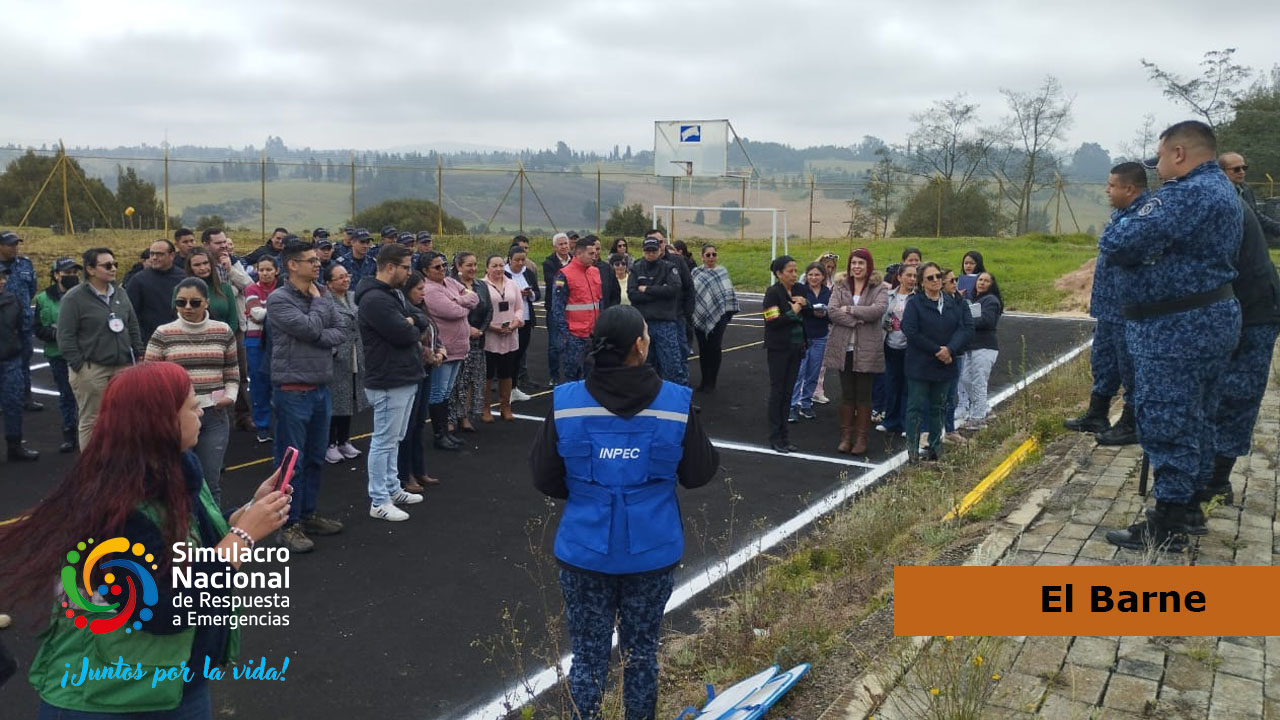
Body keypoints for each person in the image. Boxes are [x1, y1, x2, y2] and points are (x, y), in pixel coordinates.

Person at [0, 362, 290, 718]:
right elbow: (162, 608)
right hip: (109, 697)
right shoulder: (113, 510)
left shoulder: (173, 472)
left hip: (174, 680)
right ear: (159, 420)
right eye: (190, 404)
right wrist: (243, 536)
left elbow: (194, 541)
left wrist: (248, 511)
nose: (200, 409)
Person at [529, 305, 719, 720]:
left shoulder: (566, 402)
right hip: (651, 551)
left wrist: (587, 494)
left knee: (588, 658)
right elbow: (699, 472)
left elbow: (544, 475)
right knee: (641, 655)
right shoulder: (675, 402)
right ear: (640, 344)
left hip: (584, 551)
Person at [1101, 121, 1242, 550]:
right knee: (1197, 415)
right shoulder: (1220, 189)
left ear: (1179, 153)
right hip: (1203, 321)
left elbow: (1118, 242)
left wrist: (1121, 224)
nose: (1158, 168)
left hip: (1177, 329)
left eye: (1160, 158)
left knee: (1167, 417)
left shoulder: (1188, 193)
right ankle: (1189, 505)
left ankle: (1168, 522)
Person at [1198, 198, 1280, 513]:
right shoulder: (1220, 200)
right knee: (1221, 396)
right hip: (1240, 309)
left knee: (1237, 397)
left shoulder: (1222, 205)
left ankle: (1217, 480)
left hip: (1255, 312)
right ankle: (1209, 475)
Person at [267, 242, 347, 552]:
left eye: (317, 260)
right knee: (290, 464)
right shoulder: (279, 300)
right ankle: (287, 525)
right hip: (292, 393)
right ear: (292, 265)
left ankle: (307, 513)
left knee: (315, 458)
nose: (318, 265)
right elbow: (312, 329)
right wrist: (317, 309)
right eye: (311, 260)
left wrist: (318, 329)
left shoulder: (321, 296)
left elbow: (341, 327)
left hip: (319, 390)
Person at [1065, 162, 1150, 445]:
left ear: (1130, 188)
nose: (1107, 190)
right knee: (1104, 362)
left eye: (1112, 185)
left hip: (1129, 310)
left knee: (1130, 368)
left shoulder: (1144, 216)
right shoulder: (1120, 214)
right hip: (1109, 308)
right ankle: (1097, 413)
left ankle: (1131, 422)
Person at [144, 278, 239, 505]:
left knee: (210, 483)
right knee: (175, 481)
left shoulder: (223, 331)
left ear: (206, 302)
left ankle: (211, 534)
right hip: (176, 418)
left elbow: (232, 369)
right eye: (181, 302)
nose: (187, 307)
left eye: (194, 302)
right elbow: (148, 376)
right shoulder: (163, 333)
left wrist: (231, 395)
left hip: (214, 414)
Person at [355, 244, 429, 522]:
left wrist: (412, 321)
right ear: (389, 267)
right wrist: (411, 324)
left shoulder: (393, 293)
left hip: (404, 375)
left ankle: (392, 488)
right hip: (389, 378)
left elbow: (420, 317)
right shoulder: (375, 300)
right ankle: (379, 500)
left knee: (394, 439)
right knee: (384, 441)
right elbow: (404, 333)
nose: (409, 273)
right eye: (406, 267)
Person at [57, 247, 144, 450]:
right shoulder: (74, 298)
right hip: (91, 368)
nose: (113, 269)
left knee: (124, 417)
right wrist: (80, 365)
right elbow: (65, 336)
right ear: (91, 269)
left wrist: (137, 352)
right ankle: (90, 468)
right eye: (107, 265)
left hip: (122, 367)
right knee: (92, 420)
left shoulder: (121, 293)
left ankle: (119, 461)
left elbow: (132, 324)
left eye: (115, 264)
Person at [901, 261, 971, 463]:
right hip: (921, 364)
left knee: (938, 406)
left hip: (945, 363)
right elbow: (910, 330)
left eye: (938, 276)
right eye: (930, 278)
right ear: (921, 282)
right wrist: (936, 350)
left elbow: (964, 329)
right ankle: (913, 450)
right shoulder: (915, 303)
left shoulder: (951, 302)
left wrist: (949, 349)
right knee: (915, 407)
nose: (935, 280)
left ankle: (934, 446)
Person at [823, 248, 888, 455]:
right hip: (844, 348)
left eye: (861, 263)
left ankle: (861, 439)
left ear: (868, 266)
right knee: (847, 394)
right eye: (853, 263)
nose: (856, 267)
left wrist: (850, 310)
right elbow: (832, 311)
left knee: (863, 396)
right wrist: (860, 319)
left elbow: (877, 311)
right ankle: (846, 436)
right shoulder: (840, 286)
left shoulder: (878, 287)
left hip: (867, 349)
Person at [422, 251, 478, 450]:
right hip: (444, 349)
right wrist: (463, 303)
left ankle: (445, 432)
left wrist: (460, 302)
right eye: (437, 267)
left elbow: (474, 297)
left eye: (444, 265)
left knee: (446, 392)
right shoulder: (430, 290)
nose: (443, 269)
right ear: (425, 271)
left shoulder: (450, 283)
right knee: (438, 392)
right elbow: (453, 311)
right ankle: (439, 435)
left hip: (459, 348)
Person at [398, 272, 443, 493]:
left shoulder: (422, 308)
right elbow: (411, 339)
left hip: (425, 371)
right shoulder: (404, 310)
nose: (423, 293)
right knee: (407, 427)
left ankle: (419, 469)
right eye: (419, 289)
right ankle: (404, 475)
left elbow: (433, 331)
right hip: (413, 370)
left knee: (418, 425)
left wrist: (440, 349)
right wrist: (431, 355)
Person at [33, 258, 82, 453]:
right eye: (67, 273)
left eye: (74, 273)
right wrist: (59, 334)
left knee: (88, 397)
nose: (71, 276)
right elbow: (38, 328)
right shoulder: (44, 299)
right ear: (56, 275)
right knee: (66, 395)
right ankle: (69, 433)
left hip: (83, 354)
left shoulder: (85, 294)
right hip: (58, 354)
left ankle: (92, 433)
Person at [323, 263, 368, 465]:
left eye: (346, 276)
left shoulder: (352, 297)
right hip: (337, 356)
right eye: (340, 277)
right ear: (329, 283)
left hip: (355, 354)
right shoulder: (324, 302)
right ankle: (329, 443)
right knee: (335, 400)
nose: (345, 280)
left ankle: (344, 440)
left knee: (350, 397)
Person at [628, 236, 686, 385]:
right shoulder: (636, 267)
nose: (650, 253)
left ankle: (678, 403)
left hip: (665, 324)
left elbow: (673, 290)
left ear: (660, 250)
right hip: (644, 325)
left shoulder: (669, 267)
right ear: (643, 251)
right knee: (646, 368)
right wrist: (660, 292)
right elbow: (633, 294)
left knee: (672, 367)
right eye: (647, 250)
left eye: (653, 250)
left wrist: (647, 289)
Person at [763, 255, 805, 453]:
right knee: (778, 391)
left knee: (788, 392)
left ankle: (785, 435)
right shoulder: (773, 293)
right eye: (790, 271)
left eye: (796, 270)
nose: (794, 274)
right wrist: (794, 310)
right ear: (779, 274)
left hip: (796, 348)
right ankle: (775, 436)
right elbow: (772, 320)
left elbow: (811, 309)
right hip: (779, 349)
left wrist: (804, 303)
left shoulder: (797, 291)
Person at [449, 252, 492, 431]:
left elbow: (489, 310)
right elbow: (449, 311)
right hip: (457, 341)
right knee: (454, 382)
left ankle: (464, 416)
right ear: (459, 267)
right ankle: (450, 418)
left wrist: (480, 330)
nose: (473, 268)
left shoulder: (481, 285)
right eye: (469, 265)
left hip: (477, 342)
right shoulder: (450, 285)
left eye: (475, 264)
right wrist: (468, 330)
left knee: (470, 381)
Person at [552, 236, 604, 382]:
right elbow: (557, 308)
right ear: (579, 254)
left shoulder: (595, 272)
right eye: (591, 254)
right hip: (574, 336)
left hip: (592, 335)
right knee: (573, 376)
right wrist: (566, 336)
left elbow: (599, 301)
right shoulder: (564, 275)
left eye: (595, 253)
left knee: (592, 376)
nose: (595, 257)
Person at [0, 231, 40, 412]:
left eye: (16, 244)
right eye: (10, 244)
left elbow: (32, 289)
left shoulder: (25, 264)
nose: (15, 248)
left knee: (24, 360)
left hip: (23, 323)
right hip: (3, 325)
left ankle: (25, 397)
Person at [956, 272, 1002, 430]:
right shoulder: (976, 300)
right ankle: (985, 409)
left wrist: (966, 321)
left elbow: (987, 321)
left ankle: (978, 418)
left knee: (979, 382)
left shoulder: (991, 300)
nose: (981, 283)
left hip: (985, 347)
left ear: (992, 284)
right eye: (980, 280)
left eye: (986, 281)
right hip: (972, 347)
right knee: (966, 379)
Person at [691, 243, 738, 393]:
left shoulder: (722, 272)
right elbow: (692, 295)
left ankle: (712, 381)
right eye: (708, 255)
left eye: (714, 254)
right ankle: (704, 380)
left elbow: (728, 294)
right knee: (703, 349)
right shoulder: (696, 273)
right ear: (702, 257)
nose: (711, 257)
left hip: (719, 316)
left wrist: (726, 314)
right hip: (700, 316)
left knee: (715, 347)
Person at [0, 268, 36, 461]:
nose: (2, 281)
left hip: (10, 359)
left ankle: (15, 446)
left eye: (3, 277)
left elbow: (22, 327)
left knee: (14, 403)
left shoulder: (12, 300)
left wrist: (22, 351)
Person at [482, 255, 524, 421]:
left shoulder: (512, 284)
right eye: (494, 266)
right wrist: (491, 326)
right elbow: (480, 310)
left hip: (510, 335)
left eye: (501, 265)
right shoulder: (482, 286)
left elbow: (519, 308)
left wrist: (515, 323)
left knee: (507, 373)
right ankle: (485, 409)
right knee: (487, 374)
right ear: (487, 268)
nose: (498, 269)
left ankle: (505, 407)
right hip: (490, 336)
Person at [788, 262, 832, 422]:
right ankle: (792, 406)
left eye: (817, 275)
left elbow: (833, 312)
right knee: (799, 373)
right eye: (810, 274)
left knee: (813, 373)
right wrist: (811, 310)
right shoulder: (800, 290)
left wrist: (824, 314)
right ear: (806, 276)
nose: (813, 277)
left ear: (823, 277)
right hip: (803, 337)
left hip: (821, 336)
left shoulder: (828, 292)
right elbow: (795, 309)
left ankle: (806, 403)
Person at [878, 264, 917, 435]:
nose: (912, 279)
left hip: (910, 348)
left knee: (908, 387)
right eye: (908, 275)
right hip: (890, 345)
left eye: (915, 276)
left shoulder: (918, 298)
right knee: (892, 384)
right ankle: (890, 421)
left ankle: (905, 423)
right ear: (899, 277)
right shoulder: (888, 296)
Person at [243, 256, 279, 444]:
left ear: (276, 271)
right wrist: (282, 310)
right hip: (255, 342)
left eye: (268, 270)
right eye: (261, 269)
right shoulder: (251, 289)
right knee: (259, 384)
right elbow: (256, 314)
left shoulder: (281, 289)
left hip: (278, 342)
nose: (264, 273)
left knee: (278, 383)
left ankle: (278, 424)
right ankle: (262, 426)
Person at [125, 239, 186, 344]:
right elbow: (130, 314)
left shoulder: (183, 278)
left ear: (172, 255)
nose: (154, 258)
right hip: (149, 341)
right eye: (152, 254)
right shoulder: (138, 280)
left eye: (159, 254)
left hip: (180, 338)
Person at [1219, 152, 1280, 244]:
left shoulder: (1246, 189)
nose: (1242, 172)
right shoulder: (1217, 193)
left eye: (1244, 168)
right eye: (1236, 169)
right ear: (1222, 171)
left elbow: (1255, 217)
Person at [505, 244, 540, 397]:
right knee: (508, 356)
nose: (520, 263)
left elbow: (538, 294)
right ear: (510, 260)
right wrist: (516, 294)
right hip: (509, 320)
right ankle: (505, 389)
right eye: (517, 260)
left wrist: (530, 294)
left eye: (523, 260)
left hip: (525, 318)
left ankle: (514, 388)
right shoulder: (504, 274)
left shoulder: (529, 273)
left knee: (520, 354)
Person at [543, 232, 573, 385]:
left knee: (572, 343)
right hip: (555, 309)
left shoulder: (575, 260)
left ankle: (571, 374)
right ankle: (554, 376)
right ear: (555, 246)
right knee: (554, 345)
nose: (564, 246)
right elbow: (554, 282)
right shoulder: (548, 263)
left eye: (566, 243)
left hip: (572, 309)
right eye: (560, 244)